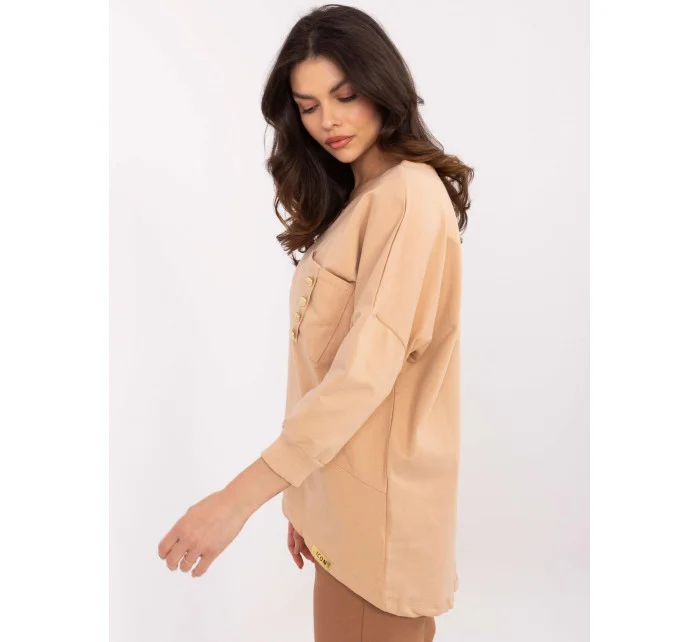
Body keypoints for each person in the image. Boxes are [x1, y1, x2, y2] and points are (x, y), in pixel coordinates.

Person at [157, 4, 473, 640]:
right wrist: (309, 491)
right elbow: (327, 370)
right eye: (307, 106)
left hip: (379, 526)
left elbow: (364, 374)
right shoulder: (364, 200)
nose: (328, 120)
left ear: (382, 86)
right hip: (349, 515)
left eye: (345, 96)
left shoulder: (408, 194)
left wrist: (235, 501)